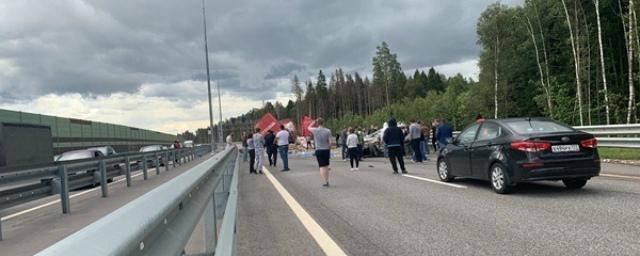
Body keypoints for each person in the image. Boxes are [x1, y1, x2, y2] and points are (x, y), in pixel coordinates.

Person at [308, 118, 332, 187]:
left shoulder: (315, 130)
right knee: (326, 166)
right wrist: (329, 148)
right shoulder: (328, 131)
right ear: (323, 123)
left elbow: (308, 127)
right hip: (326, 149)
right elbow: (330, 142)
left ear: (317, 123)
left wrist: (313, 122)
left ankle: (325, 181)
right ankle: (327, 180)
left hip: (319, 149)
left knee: (321, 166)